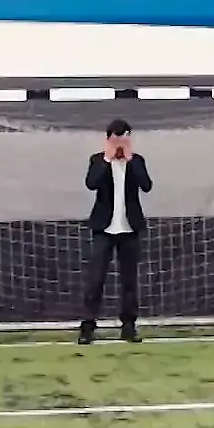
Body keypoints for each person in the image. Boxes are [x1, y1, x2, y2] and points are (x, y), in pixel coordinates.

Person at [79, 117, 152, 344]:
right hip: (104, 228)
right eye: (117, 138)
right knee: (96, 279)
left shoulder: (137, 161)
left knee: (129, 280)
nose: (121, 143)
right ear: (108, 139)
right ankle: (88, 326)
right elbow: (91, 183)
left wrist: (130, 161)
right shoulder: (97, 160)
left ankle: (129, 326)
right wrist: (107, 159)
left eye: (125, 138)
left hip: (130, 228)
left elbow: (146, 186)